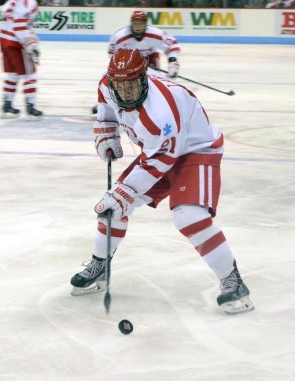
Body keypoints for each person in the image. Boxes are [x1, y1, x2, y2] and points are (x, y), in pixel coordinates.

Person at [71, 48, 254, 315]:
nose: (126, 92)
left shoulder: (162, 111)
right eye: (120, 85)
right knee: (111, 210)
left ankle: (233, 282)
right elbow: (107, 112)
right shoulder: (107, 84)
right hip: (158, 150)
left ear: (143, 78)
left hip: (195, 149)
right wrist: (106, 135)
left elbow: (161, 161)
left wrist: (123, 193)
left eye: (132, 84)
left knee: (188, 216)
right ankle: (100, 266)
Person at [91, 10, 180, 114]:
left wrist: (172, 62)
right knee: (115, 80)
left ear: (145, 24)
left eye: (141, 24)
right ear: (131, 23)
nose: (138, 27)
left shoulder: (156, 33)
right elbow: (112, 54)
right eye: (135, 24)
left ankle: (157, 103)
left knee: (154, 81)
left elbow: (172, 45)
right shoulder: (120, 36)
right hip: (128, 61)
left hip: (149, 58)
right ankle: (106, 102)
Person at [0, 0, 43, 119]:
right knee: (30, 75)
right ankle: (30, 107)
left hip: (4, 39)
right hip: (16, 42)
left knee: (12, 75)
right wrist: (30, 44)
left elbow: (4, 12)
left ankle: (7, 105)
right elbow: (19, 25)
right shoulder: (28, 2)